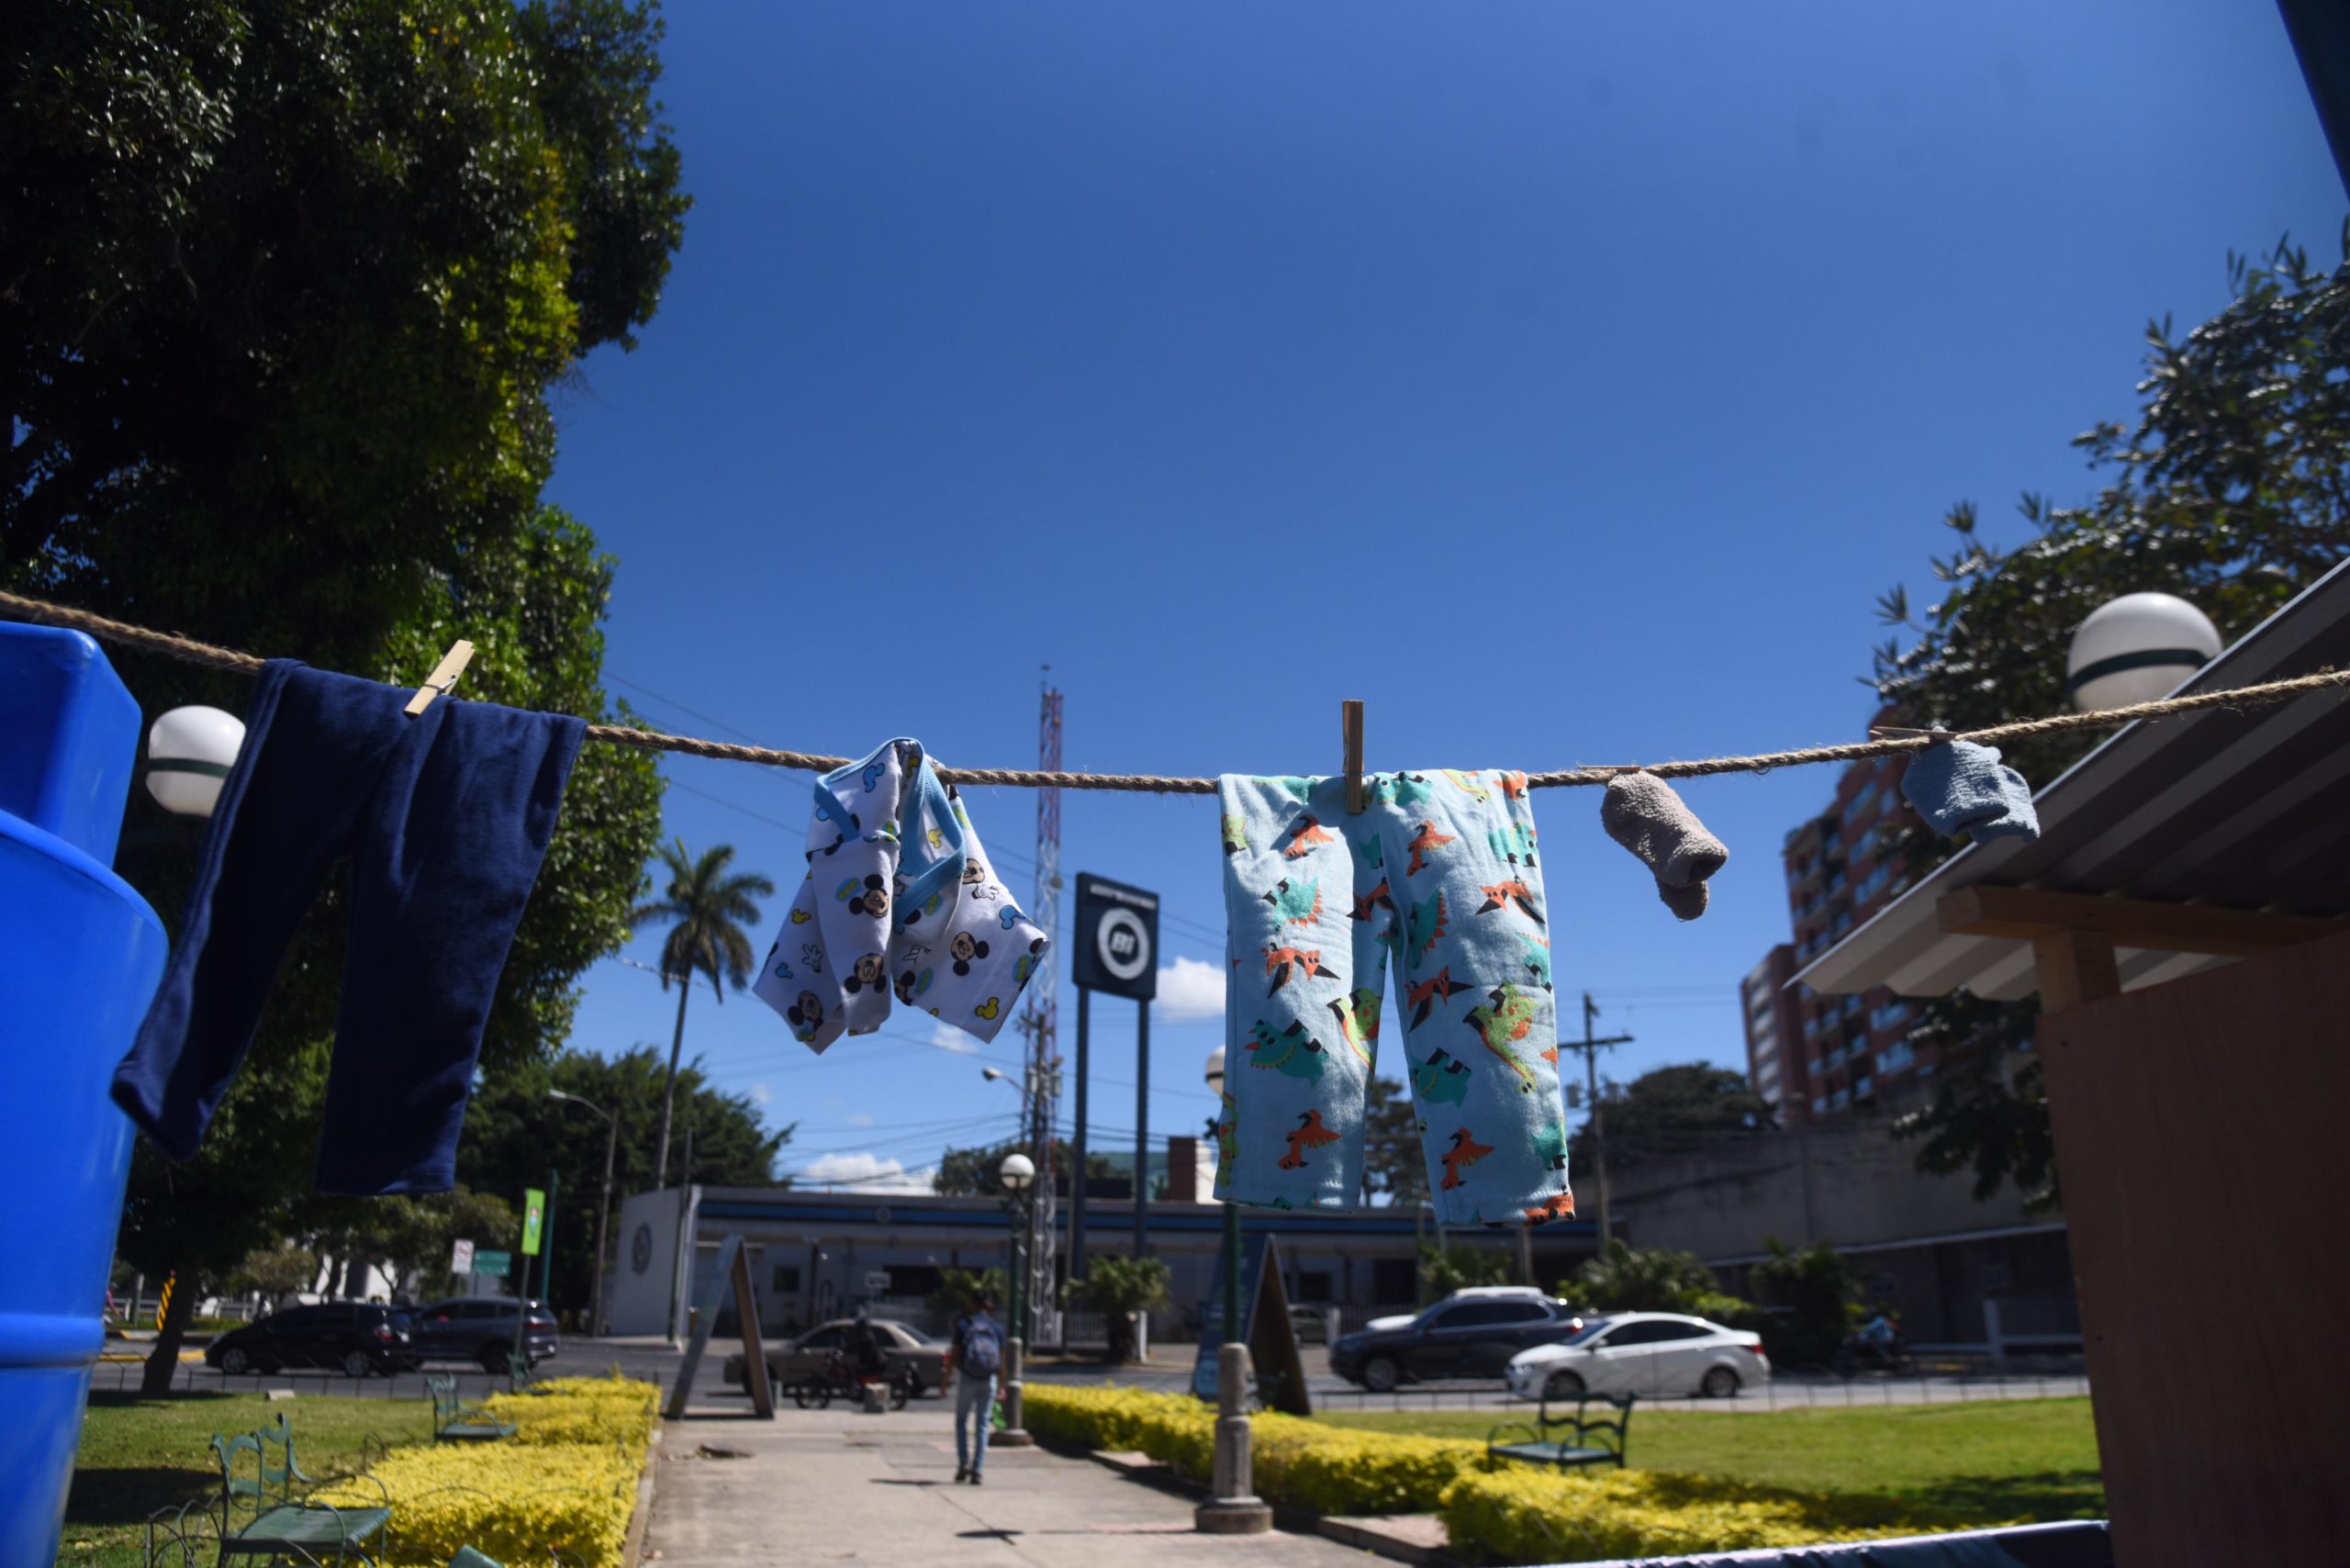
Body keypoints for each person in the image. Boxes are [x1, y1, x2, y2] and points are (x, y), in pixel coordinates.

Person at [947, 1292, 1006, 1485]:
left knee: (961, 1421)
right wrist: (1002, 1385)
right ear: (989, 1305)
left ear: (973, 1304)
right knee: (982, 1426)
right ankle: (978, 1469)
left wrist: (945, 1380)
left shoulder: (964, 1325)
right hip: (988, 1379)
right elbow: (1002, 1361)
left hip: (968, 1378)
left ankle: (963, 1463)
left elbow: (954, 1354)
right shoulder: (996, 1328)